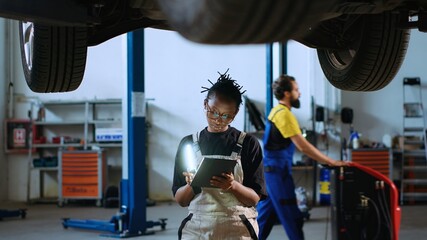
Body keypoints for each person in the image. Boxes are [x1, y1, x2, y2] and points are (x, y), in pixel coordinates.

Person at [172, 71, 267, 240]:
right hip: (198, 228)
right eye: (213, 112)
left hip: (237, 227)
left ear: (235, 113)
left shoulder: (248, 144)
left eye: (226, 116)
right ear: (205, 104)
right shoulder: (188, 144)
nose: (218, 120)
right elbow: (181, 200)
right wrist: (192, 184)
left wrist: (233, 186)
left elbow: (254, 199)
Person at [256, 74, 346, 240]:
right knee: (292, 218)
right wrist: (331, 161)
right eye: (296, 90)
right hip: (277, 175)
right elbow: (303, 146)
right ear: (287, 93)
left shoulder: (276, 111)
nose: (300, 93)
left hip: (270, 174)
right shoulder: (284, 114)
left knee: (264, 220)